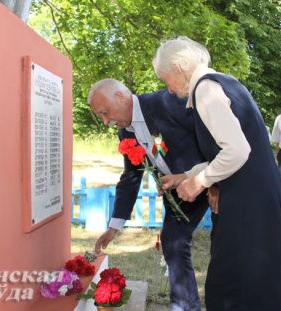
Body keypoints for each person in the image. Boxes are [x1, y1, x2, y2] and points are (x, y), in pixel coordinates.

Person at [152, 36, 281, 311]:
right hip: (260, 195)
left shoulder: (206, 90)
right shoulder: (223, 81)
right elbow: (226, 151)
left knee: (239, 285)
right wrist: (185, 175)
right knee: (257, 282)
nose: (169, 90)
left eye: (166, 80)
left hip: (250, 202)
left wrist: (199, 182)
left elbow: (237, 151)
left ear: (179, 68)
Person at [88, 78, 215, 311]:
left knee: (225, 244)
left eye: (105, 113)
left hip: (213, 178)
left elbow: (210, 134)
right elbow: (131, 177)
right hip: (179, 191)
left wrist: (212, 181)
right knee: (172, 242)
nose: (106, 121)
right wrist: (113, 227)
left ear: (120, 97)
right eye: (101, 117)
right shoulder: (124, 133)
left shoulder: (164, 103)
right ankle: (185, 306)